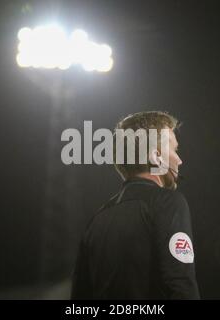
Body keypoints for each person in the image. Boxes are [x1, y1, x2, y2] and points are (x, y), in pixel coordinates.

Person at [71, 111, 200, 299]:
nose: (179, 160)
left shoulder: (97, 220)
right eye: (174, 150)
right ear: (157, 158)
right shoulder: (168, 202)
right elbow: (180, 283)